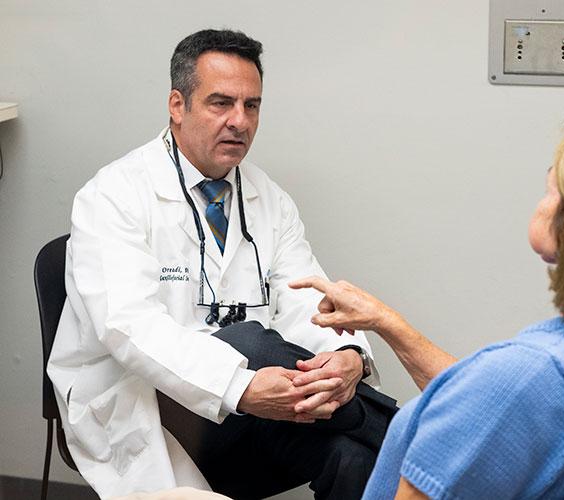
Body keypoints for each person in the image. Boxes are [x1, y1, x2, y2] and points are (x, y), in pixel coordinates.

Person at [47, 29, 396, 500]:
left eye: (252, 106)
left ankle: (389, 434)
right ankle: (403, 431)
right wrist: (238, 386)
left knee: (353, 455)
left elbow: (307, 301)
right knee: (247, 340)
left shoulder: (269, 199)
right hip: (147, 402)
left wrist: (348, 357)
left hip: (257, 401)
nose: (240, 121)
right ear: (177, 105)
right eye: (221, 103)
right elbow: (127, 326)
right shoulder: (114, 195)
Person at [290, 119, 564, 499]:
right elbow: (481, 401)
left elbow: (500, 398)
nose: (543, 197)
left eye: (552, 191)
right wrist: (386, 322)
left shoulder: (531, 376)